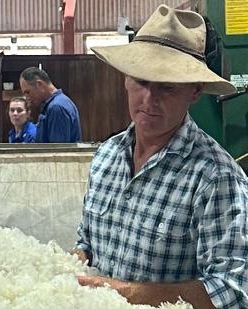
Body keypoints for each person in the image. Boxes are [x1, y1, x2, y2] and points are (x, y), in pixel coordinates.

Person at [73, 5, 247, 308]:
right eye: (141, 81)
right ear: (126, 79)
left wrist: (126, 292)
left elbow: (232, 288)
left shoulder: (215, 178)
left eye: (167, 87)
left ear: (195, 91)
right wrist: (74, 260)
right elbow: (87, 242)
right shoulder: (107, 157)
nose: (149, 100)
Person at [19, 67, 81, 143]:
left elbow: (57, 151)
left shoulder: (56, 107)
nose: (26, 97)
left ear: (39, 84)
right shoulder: (59, 102)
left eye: (28, 92)